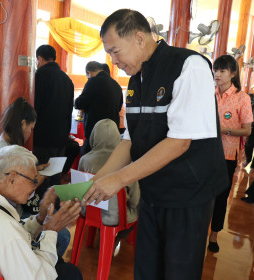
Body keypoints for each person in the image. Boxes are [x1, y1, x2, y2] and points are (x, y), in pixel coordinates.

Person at [82, 9, 228, 280]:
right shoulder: (136, 80)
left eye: (115, 51)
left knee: (178, 272)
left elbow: (179, 143)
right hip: (153, 191)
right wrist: (97, 181)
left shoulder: (188, 66)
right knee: (147, 270)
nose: (113, 62)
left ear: (139, 38)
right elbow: (130, 140)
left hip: (188, 194)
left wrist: (118, 180)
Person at [0, 145, 83, 280]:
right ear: (12, 178)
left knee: (62, 265)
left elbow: (14, 231)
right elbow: (40, 277)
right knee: (70, 273)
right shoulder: (5, 231)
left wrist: (40, 218)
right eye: (33, 181)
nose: (34, 187)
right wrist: (51, 230)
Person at [0, 97, 70, 258]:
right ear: (23, 123)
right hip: (10, 214)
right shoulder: (7, 151)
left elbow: (12, 175)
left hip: (5, 210)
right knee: (63, 235)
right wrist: (43, 175)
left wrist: (36, 169)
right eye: (30, 128)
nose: (29, 133)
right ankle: (38, 264)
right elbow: (18, 193)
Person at [208, 55, 252, 252]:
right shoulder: (209, 94)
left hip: (227, 155)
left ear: (233, 73)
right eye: (215, 70)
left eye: (222, 71)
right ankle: (199, 230)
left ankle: (214, 235)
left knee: (220, 196)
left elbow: (247, 130)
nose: (217, 74)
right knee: (202, 193)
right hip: (205, 152)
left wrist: (223, 130)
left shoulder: (241, 98)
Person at [79, 119, 139, 227]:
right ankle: (116, 240)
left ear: (94, 136)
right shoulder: (127, 162)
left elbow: (79, 186)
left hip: (88, 212)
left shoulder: (84, 159)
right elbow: (135, 198)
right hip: (116, 217)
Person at [33, 44, 74, 185]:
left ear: (39, 59)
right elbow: (70, 110)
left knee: (41, 176)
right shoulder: (67, 79)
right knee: (55, 175)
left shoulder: (39, 76)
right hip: (61, 138)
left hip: (42, 137)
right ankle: (55, 205)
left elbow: (35, 108)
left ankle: (41, 207)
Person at [75, 61, 122, 155]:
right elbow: (119, 107)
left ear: (89, 73)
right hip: (112, 133)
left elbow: (79, 103)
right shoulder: (116, 85)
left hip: (96, 132)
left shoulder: (93, 82)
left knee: (88, 159)